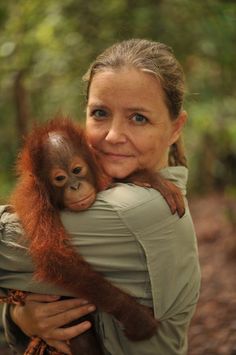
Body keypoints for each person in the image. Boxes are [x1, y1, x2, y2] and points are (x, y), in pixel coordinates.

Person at [1, 38, 200, 355]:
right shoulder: (92, 175)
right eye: (100, 113)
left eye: (139, 118)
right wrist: (18, 315)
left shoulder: (138, 210)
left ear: (176, 128)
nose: (112, 136)